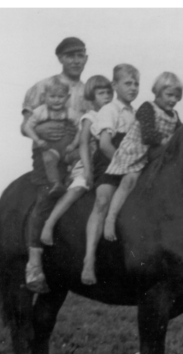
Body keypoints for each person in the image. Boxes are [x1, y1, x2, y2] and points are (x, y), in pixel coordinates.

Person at [22, 37, 90, 294]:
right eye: (69, 55)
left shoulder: (89, 91)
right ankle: (34, 264)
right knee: (45, 198)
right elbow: (25, 126)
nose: (75, 60)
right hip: (47, 155)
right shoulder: (42, 87)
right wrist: (41, 129)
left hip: (77, 155)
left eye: (80, 55)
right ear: (60, 58)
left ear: (86, 58)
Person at [103, 72, 183, 241]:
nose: (173, 100)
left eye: (177, 96)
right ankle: (111, 217)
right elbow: (147, 135)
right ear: (157, 93)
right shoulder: (147, 108)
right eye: (169, 95)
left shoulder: (175, 116)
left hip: (157, 154)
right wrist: (167, 139)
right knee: (129, 180)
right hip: (137, 151)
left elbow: (181, 133)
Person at [81, 64, 139, 285]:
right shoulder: (110, 110)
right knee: (103, 198)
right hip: (108, 162)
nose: (133, 88)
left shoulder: (135, 113)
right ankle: (89, 259)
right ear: (115, 86)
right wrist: (124, 166)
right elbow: (105, 145)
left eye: (136, 84)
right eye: (128, 83)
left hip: (130, 164)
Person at [40, 75, 114, 246]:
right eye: (101, 93)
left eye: (109, 93)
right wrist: (88, 170)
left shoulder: (113, 114)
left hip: (107, 165)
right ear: (91, 97)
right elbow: (83, 144)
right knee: (79, 188)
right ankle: (49, 223)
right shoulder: (91, 116)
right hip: (88, 161)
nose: (107, 97)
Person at [22, 77, 82, 198]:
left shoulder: (70, 112)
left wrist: (74, 144)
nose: (56, 100)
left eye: (60, 97)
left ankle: (71, 178)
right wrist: (38, 140)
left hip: (67, 150)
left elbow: (81, 127)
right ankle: (56, 184)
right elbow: (27, 127)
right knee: (48, 160)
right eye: (52, 96)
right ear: (44, 97)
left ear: (67, 97)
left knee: (80, 155)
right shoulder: (41, 112)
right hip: (51, 149)